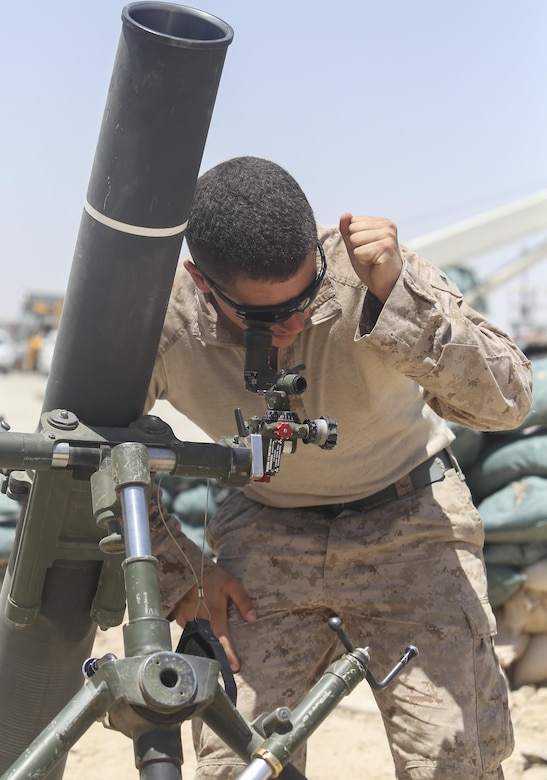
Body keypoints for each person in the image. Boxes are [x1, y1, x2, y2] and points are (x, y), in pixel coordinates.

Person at [146, 156, 532, 779]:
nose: (295, 324)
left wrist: (399, 301)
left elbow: (508, 401)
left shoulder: (367, 272)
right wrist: (183, 576)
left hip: (412, 526)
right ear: (201, 281)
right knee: (236, 758)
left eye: (305, 298)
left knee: (453, 760)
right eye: (265, 316)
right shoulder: (164, 321)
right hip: (267, 534)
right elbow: (89, 452)